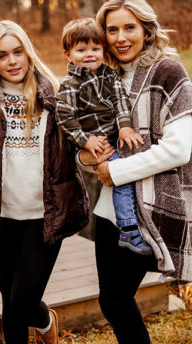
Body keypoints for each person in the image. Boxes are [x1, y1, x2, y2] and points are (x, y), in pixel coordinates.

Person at [77, 0, 192, 343]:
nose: (121, 37)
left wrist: (116, 172)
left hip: (147, 208)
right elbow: (92, 144)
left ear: (146, 31)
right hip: (108, 210)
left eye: (129, 28)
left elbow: (177, 150)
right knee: (111, 300)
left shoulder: (167, 72)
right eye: (112, 29)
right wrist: (89, 157)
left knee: (117, 299)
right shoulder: (107, 77)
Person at [0, 20, 88, 344]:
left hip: (44, 216)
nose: (12, 61)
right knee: (11, 304)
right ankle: (42, 320)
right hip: (0, 218)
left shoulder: (57, 94)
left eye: (17, 52)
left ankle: (43, 319)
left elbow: (91, 127)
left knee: (20, 301)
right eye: (2, 55)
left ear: (28, 52)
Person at [55, 17, 150, 254]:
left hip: (117, 136)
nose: (90, 54)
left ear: (103, 50)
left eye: (95, 49)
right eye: (81, 49)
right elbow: (65, 118)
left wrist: (126, 126)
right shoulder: (70, 84)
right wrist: (85, 141)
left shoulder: (110, 76)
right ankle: (128, 229)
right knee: (121, 176)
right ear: (68, 54)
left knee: (132, 169)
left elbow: (120, 101)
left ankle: (138, 222)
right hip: (95, 143)